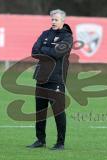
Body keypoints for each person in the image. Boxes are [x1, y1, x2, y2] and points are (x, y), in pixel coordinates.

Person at [26, 9, 73, 150]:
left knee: (58, 112)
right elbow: (34, 51)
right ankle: (40, 140)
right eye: (52, 19)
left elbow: (56, 54)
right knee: (40, 111)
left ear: (62, 21)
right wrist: (48, 50)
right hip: (41, 78)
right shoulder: (45, 34)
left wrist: (44, 49)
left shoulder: (67, 37)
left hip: (56, 79)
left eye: (56, 20)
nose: (53, 22)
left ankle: (60, 143)